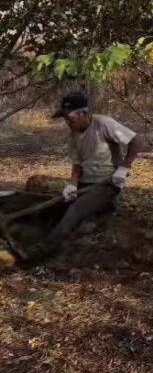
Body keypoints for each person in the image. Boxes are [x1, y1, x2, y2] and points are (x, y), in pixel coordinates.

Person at [40, 90, 143, 260]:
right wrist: (72, 184)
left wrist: (124, 167)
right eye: (64, 118)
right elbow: (77, 162)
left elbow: (135, 140)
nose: (67, 121)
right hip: (84, 184)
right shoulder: (73, 133)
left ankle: (42, 251)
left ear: (83, 113)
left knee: (75, 210)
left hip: (106, 184)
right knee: (52, 207)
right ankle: (42, 236)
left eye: (70, 117)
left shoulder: (103, 124)